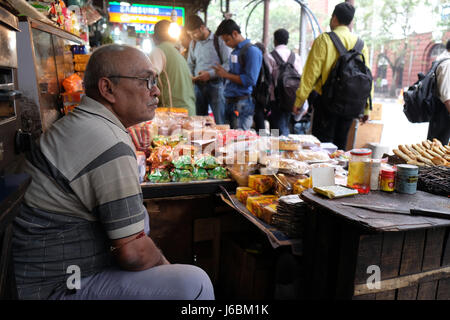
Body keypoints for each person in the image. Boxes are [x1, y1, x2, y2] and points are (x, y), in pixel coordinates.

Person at [12, 44, 215, 300]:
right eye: (146, 81)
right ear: (108, 89)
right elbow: (133, 253)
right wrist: (166, 267)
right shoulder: (107, 142)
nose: (156, 90)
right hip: (53, 287)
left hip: (49, 274)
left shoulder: (86, 122)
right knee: (193, 283)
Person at [292, 2, 372, 150]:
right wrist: (367, 108)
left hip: (327, 104)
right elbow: (367, 77)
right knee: (340, 148)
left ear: (334, 18)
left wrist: (299, 100)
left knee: (321, 149)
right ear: (350, 21)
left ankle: (322, 173)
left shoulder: (324, 40)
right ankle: (339, 173)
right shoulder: (361, 44)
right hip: (351, 105)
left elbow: (310, 74)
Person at [213, 19, 262, 130]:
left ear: (235, 33)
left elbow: (250, 80)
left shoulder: (252, 51)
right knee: (229, 138)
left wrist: (226, 75)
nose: (226, 44)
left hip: (242, 103)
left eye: (227, 40)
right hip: (229, 100)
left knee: (239, 141)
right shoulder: (235, 51)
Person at [186, 15, 231, 124]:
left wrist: (210, 74)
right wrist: (190, 76)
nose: (193, 37)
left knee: (219, 119)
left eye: (194, 33)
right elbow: (190, 64)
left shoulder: (219, 41)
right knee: (199, 121)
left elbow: (228, 64)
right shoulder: (193, 43)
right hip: (198, 86)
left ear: (202, 27)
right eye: (190, 35)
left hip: (216, 85)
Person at [149, 20, 196, 116]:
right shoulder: (177, 53)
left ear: (153, 37)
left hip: (173, 113)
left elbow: (149, 77)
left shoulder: (158, 51)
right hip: (189, 110)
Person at [266, 28, 304, 136]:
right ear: (287, 40)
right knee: (286, 124)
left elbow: (268, 80)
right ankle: (283, 147)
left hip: (275, 99)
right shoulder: (296, 57)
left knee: (276, 127)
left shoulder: (270, 56)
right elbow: (300, 78)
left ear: (275, 40)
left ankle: (277, 149)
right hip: (292, 98)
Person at [428, 39, 450, 144]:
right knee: (438, 152)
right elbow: (446, 96)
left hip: (441, 114)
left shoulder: (442, 60)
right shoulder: (447, 63)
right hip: (443, 114)